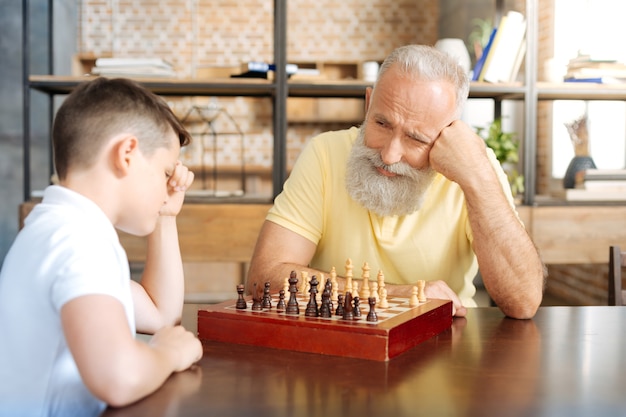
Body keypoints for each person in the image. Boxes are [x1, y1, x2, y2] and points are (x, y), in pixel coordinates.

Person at [246, 44, 545, 320]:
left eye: (416, 139)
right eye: (381, 123)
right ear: (368, 104)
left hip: (446, 346)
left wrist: (477, 178)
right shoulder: (325, 153)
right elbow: (264, 278)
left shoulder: (475, 168)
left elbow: (523, 302)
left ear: (448, 134)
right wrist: (402, 296)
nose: (389, 155)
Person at [0, 77, 203, 416]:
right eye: (165, 171)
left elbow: (160, 315)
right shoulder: (78, 241)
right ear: (126, 154)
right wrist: (169, 354)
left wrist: (166, 216)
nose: (169, 185)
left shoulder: (56, 228)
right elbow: (117, 377)